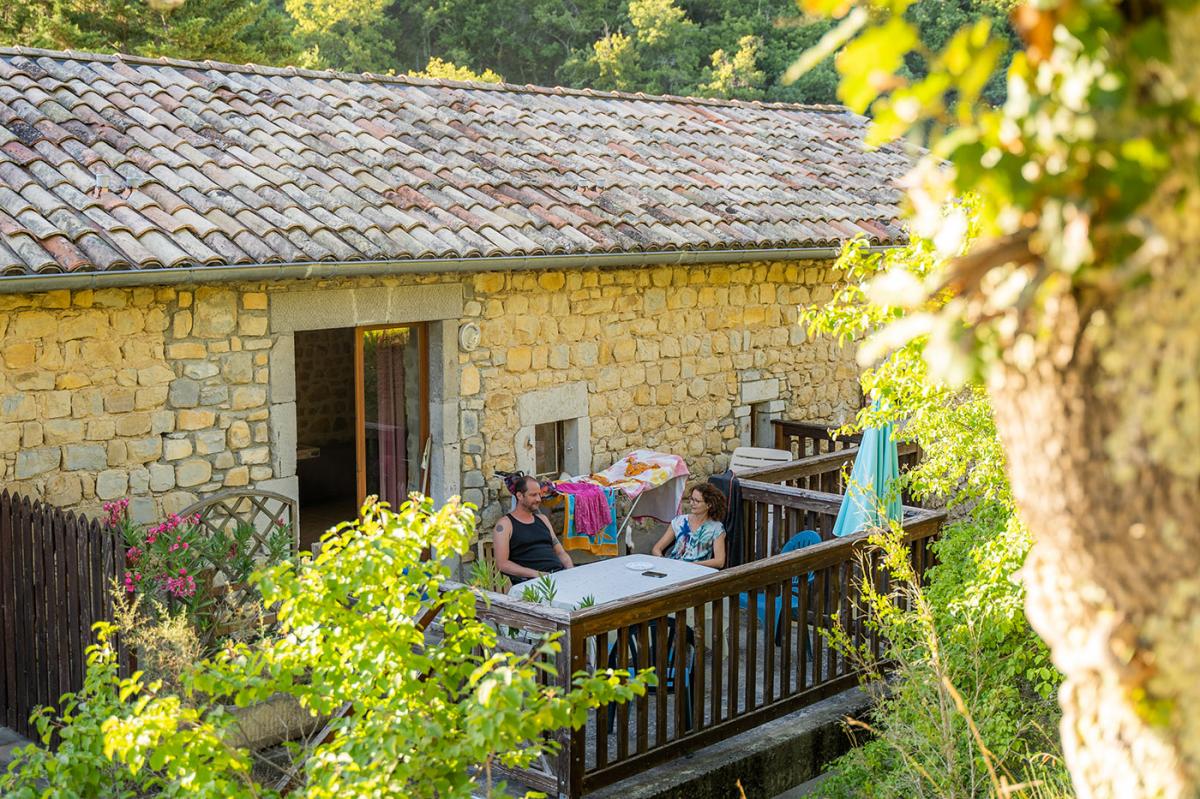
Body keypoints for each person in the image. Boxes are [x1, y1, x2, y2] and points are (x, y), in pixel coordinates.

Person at [493, 474, 574, 583]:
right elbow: (502, 564)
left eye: (539, 495)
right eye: (533, 495)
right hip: (534, 583)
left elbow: (560, 553)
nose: (538, 499)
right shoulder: (505, 525)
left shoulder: (543, 519)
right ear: (519, 496)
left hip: (558, 576)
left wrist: (571, 571)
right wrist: (536, 574)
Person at [651, 483, 728, 569]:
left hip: (696, 573)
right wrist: (664, 562)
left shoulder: (716, 528)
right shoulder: (679, 521)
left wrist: (692, 565)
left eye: (697, 501)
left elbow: (719, 561)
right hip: (672, 568)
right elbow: (656, 548)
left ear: (709, 505)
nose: (691, 503)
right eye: (691, 499)